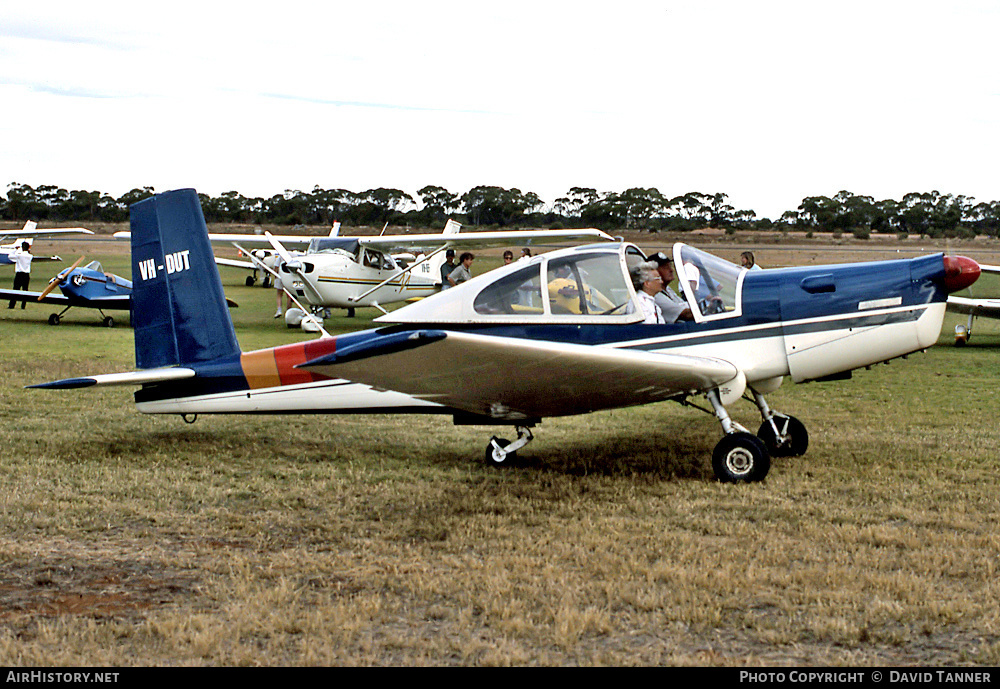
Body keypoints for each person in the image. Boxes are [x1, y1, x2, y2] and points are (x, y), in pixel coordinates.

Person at [646, 251, 693, 322]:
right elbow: (685, 314)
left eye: (670, 266)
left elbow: (683, 304)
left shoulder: (667, 289)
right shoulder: (655, 295)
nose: (671, 270)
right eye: (665, 267)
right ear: (654, 272)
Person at [8, 241, 32, 309]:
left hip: (19, 274)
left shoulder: (19, 255)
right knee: (25, 290)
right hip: (26, 275)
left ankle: (12, 305)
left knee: (15, 290)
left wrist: (15, 249)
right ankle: (23, 306)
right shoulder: (30, 256)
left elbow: (10, 256)